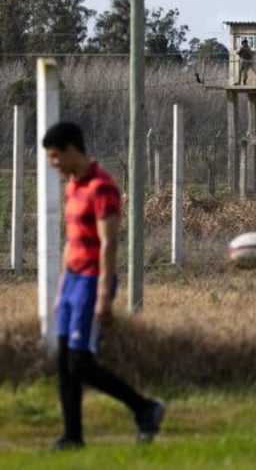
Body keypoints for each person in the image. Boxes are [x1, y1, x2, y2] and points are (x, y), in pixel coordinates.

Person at [42, 122, 165, 450]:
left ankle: (145, 408)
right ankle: (72, 437)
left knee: (80, 362)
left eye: (55, 157)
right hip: (72, 283)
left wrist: (102, 295)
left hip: (92, 281)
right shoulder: (72, 186)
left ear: (71, 149)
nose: (53, 164)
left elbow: (109, 244)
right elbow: (71, 242)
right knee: (65, 363)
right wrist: (60, 292)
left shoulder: (102, 186)